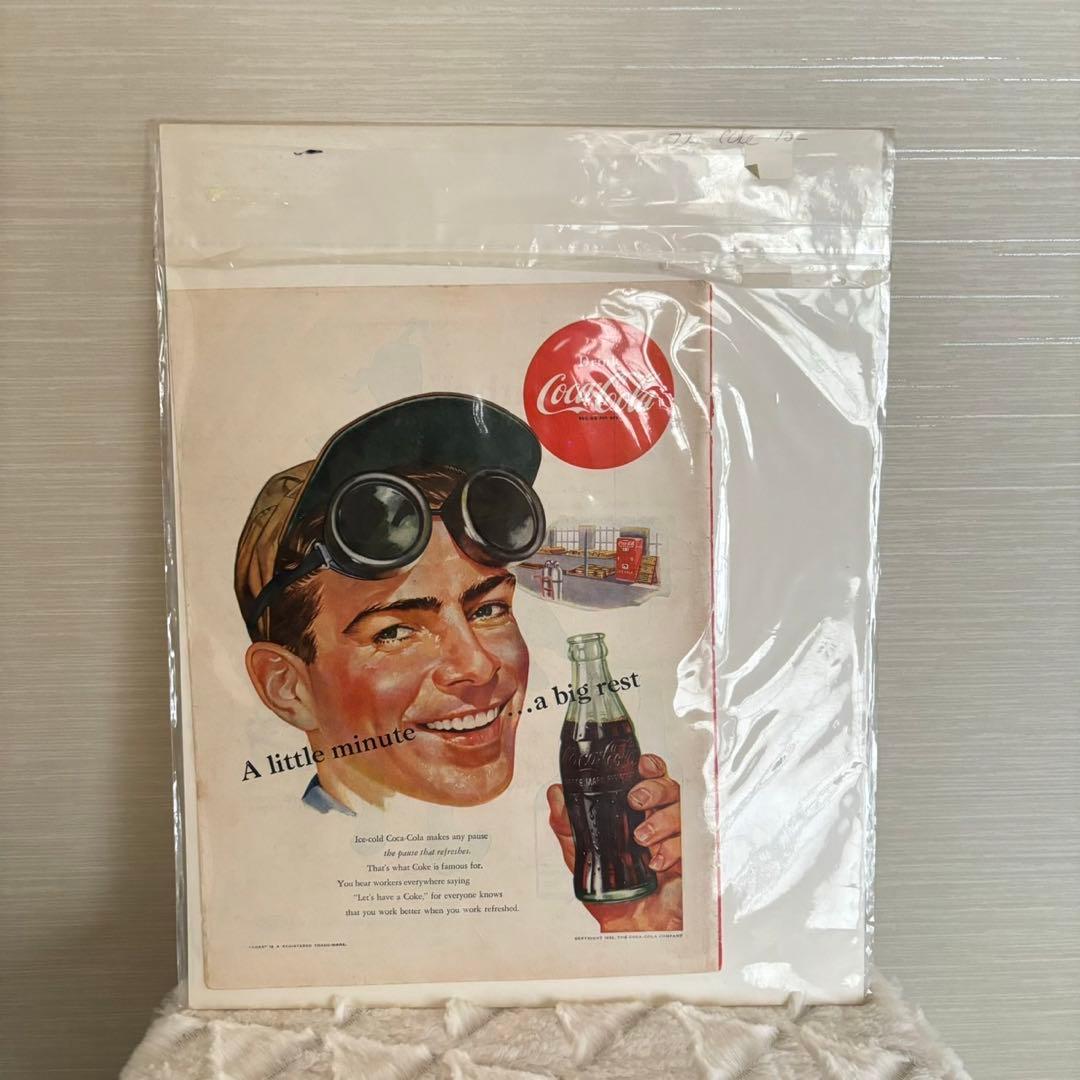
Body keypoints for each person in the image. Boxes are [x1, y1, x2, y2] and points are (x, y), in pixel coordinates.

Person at [233, 393, 682, 927]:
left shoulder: (555, 864)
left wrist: (637, 922)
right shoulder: (279, 899)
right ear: (287, 687)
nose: (478, 666)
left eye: (488, 610)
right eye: (395, 632)